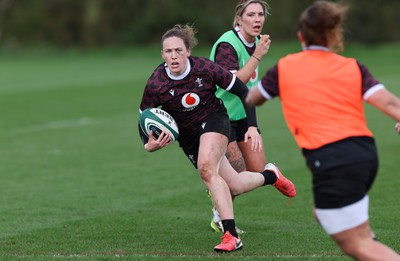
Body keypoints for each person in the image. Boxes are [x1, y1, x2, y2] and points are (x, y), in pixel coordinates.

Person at [246, 1, 400, 260]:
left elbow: (253, 97)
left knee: (357, 245)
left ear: (300, 37)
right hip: (365, 154)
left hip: (333, 159)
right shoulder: (352, 66)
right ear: (333, 36)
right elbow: (390, 103)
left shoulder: (285, 67)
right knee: (333, 219)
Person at [138, 24, 296, 252]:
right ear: (162, 54)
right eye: (168, 51)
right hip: (189, 137)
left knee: (206, 169)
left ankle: (231, 235)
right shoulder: (156, 82)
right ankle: (271, 176)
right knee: (236, 184)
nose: (174, 56)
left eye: (178, 51)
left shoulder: (204, 68)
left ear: (188, 51)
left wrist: (252, 126)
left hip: (214, 120)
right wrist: (148, 144)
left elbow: (243, 91)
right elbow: (144, 115)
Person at [208, 0, 295, 233]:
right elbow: (235, 84)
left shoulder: (256, 42)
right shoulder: (228, 44)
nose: (257, 19)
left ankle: (219, 189)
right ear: (239, 19)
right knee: (236, 179)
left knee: (257, 171)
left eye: (261, 14)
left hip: (244, 116)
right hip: (220, 117)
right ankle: (220, 218)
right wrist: (257, 57)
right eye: (251, 15)